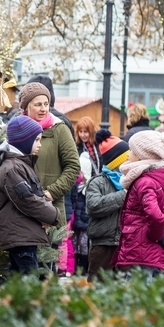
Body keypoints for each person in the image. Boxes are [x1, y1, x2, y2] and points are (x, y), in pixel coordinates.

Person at [19, 82, 79, 276]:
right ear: (26, 107)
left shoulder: (59, 130)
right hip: (20, 209)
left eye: (46, 103)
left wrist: (51, 192)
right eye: (38, 104)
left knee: (45, 272)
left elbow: (73, 167)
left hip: (49, 209)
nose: (43, 108)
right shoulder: (16, 129)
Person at [0, 116, 59, 275]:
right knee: (29, 279)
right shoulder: (13, 168)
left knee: (20, 279)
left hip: (23, 233)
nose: (40, 145)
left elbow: (36, 193)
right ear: (24, 141)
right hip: (20, 236)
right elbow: (27, 200)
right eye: (36, 140)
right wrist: (53, 215)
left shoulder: (21, 164)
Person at [113, 130, 164, 277]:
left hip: (141, 246)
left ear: (142, 156)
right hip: (141, 245)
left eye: (132, 151)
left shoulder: (144, 182)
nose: (128, 155)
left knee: (139, 287)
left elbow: (155, 215)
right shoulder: (148, 179)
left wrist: (157, 236)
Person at [84, 130, 129, 280]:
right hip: (103, 245)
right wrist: (123, 195)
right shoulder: (97, 182)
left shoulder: (131, 181)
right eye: (126, 159)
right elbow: (93, 205)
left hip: (125, 246)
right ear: (117, 162)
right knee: (97, 289)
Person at [72, 117, 101, 273]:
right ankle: (77, 264)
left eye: (85, 132)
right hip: (79, 192)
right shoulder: (76, 147)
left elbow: (99, 168)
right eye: (80, 132)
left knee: (85, 232)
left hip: (91, 191)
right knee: (77, 231)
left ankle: (84, 264)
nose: (83, 135)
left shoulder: (95, 148)